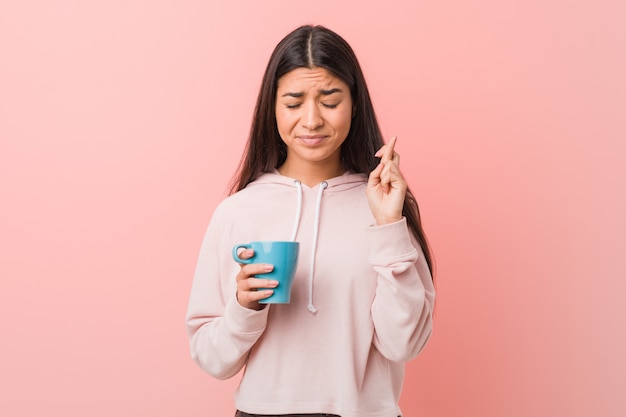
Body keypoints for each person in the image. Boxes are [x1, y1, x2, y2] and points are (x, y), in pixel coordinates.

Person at [186, 24, 435, 417]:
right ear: (272, 107)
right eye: (293, 101)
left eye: (330, 100)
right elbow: (212, 358)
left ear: (355, 103)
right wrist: (243, 308)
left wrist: (388, 226)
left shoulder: (385, 206)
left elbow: (404, 344)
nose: (312, 119)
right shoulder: (239, 211)